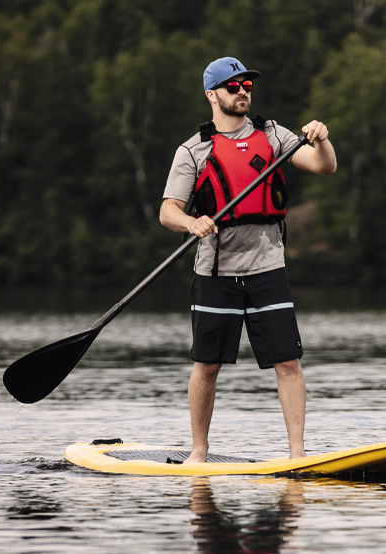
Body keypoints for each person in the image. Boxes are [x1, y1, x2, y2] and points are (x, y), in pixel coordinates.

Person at [160, 57, 336, 463]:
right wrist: (191, 222)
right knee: (206, 366)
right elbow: (168, 210)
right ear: (212, 94)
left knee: (288, 363)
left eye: (247, 86)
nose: (242, 92)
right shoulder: (194, 150)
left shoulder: (274, 135)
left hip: (268, 268)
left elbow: (324, 167)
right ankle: (199, 453)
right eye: (233, 86)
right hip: (216, 272)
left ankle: (297, 453)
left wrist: (322, 140)